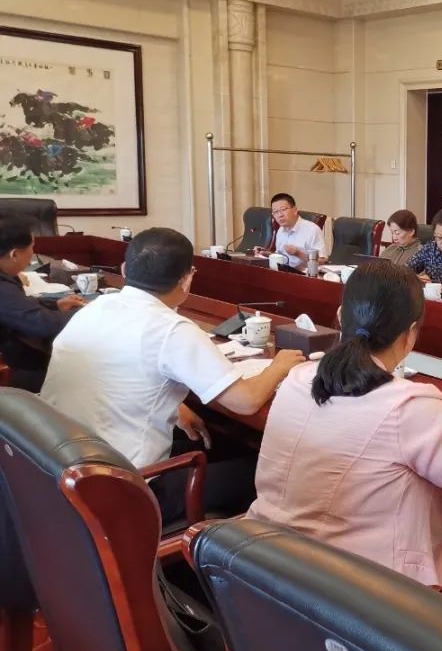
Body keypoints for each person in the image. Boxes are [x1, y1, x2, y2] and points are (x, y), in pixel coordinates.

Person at [247, 260, 442, 597]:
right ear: (411, 334)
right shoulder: (412, 404)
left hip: (269, 572)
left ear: (341, 316)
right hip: (365, 598)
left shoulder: (298, 378)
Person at [41, 228, 306, 521]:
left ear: (125, 269)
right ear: (187, 279)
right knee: (260, 469)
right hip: (126, 493)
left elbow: (111, 374)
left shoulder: (96, 306)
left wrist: (174, 404)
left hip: (60, 472)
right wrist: (279, 365)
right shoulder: (172, 329)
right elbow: (246, 402)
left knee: (215, 442)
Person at [0, 212, 85, 391]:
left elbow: (18, 306)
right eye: (32, 247)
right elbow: (44, 324)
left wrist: (55, 304)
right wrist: (91, 312)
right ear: (14, 254)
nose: (33, 254)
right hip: (11, 372)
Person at [255, 192, 326, 271]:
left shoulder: (312, 230)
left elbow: (322, 262)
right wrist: (266, 254)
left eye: (283, 210)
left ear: (295, 210)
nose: (280, 215)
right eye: (275, 212)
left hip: (304, 275)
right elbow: (282, 256)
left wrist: (298, 253)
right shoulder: (281, 230)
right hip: (284, 272)